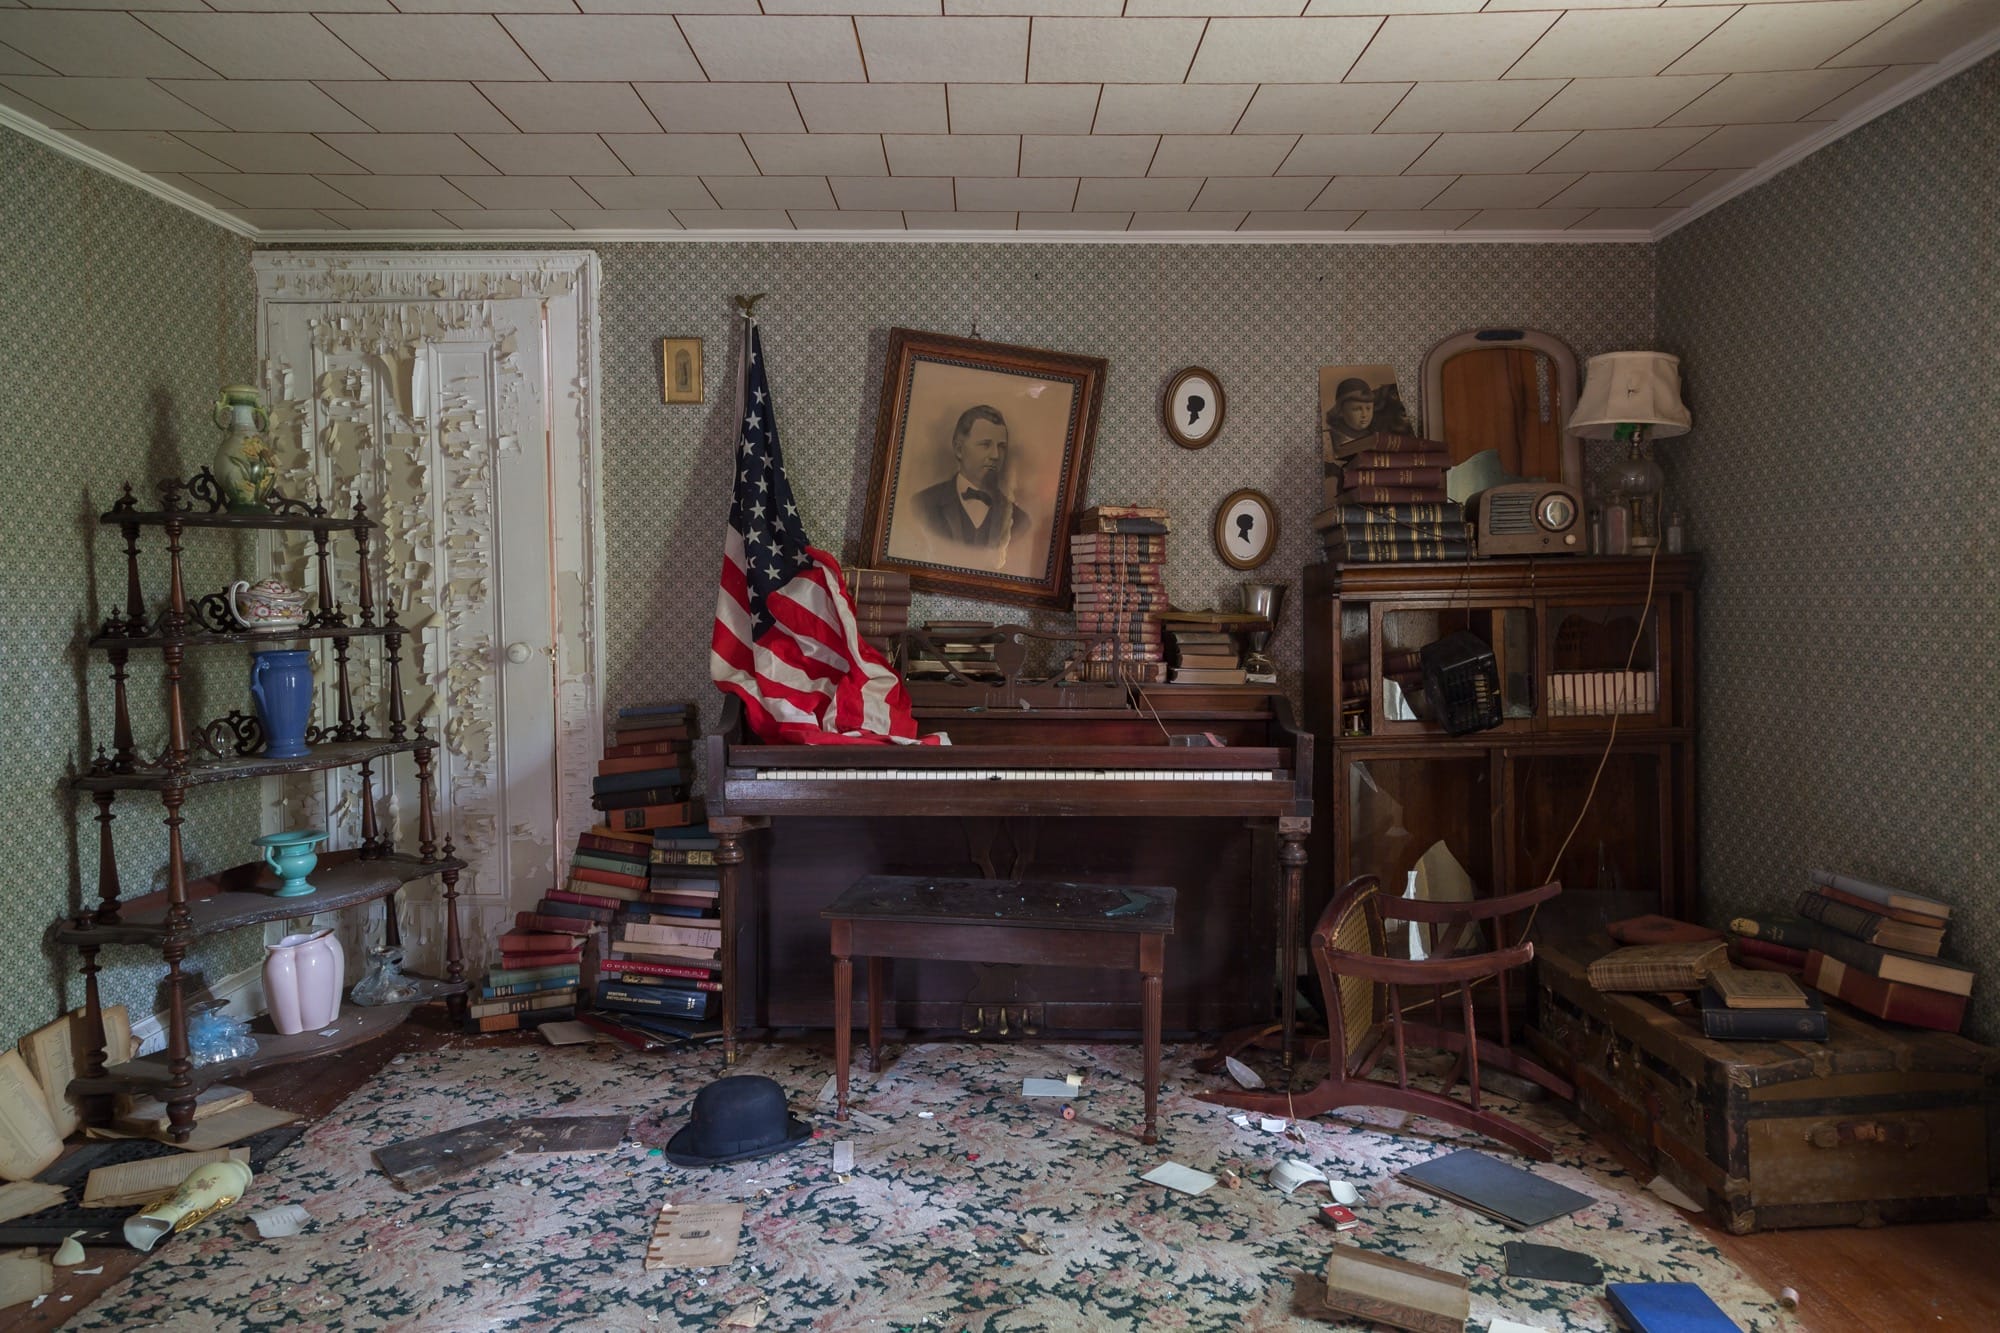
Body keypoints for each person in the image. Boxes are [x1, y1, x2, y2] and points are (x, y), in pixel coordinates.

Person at [912, 405, 1029, 550]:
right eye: (985, 445)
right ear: (959, 450)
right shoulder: (922, 504)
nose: (996, 455)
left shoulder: (1020, 520)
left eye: (1001, 447)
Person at [1325, 377, 1377, 454]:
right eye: (1357, 409)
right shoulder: (1329, 439)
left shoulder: (1375, 437)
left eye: (1368, 408)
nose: (1364, 415)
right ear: (1341, 411)